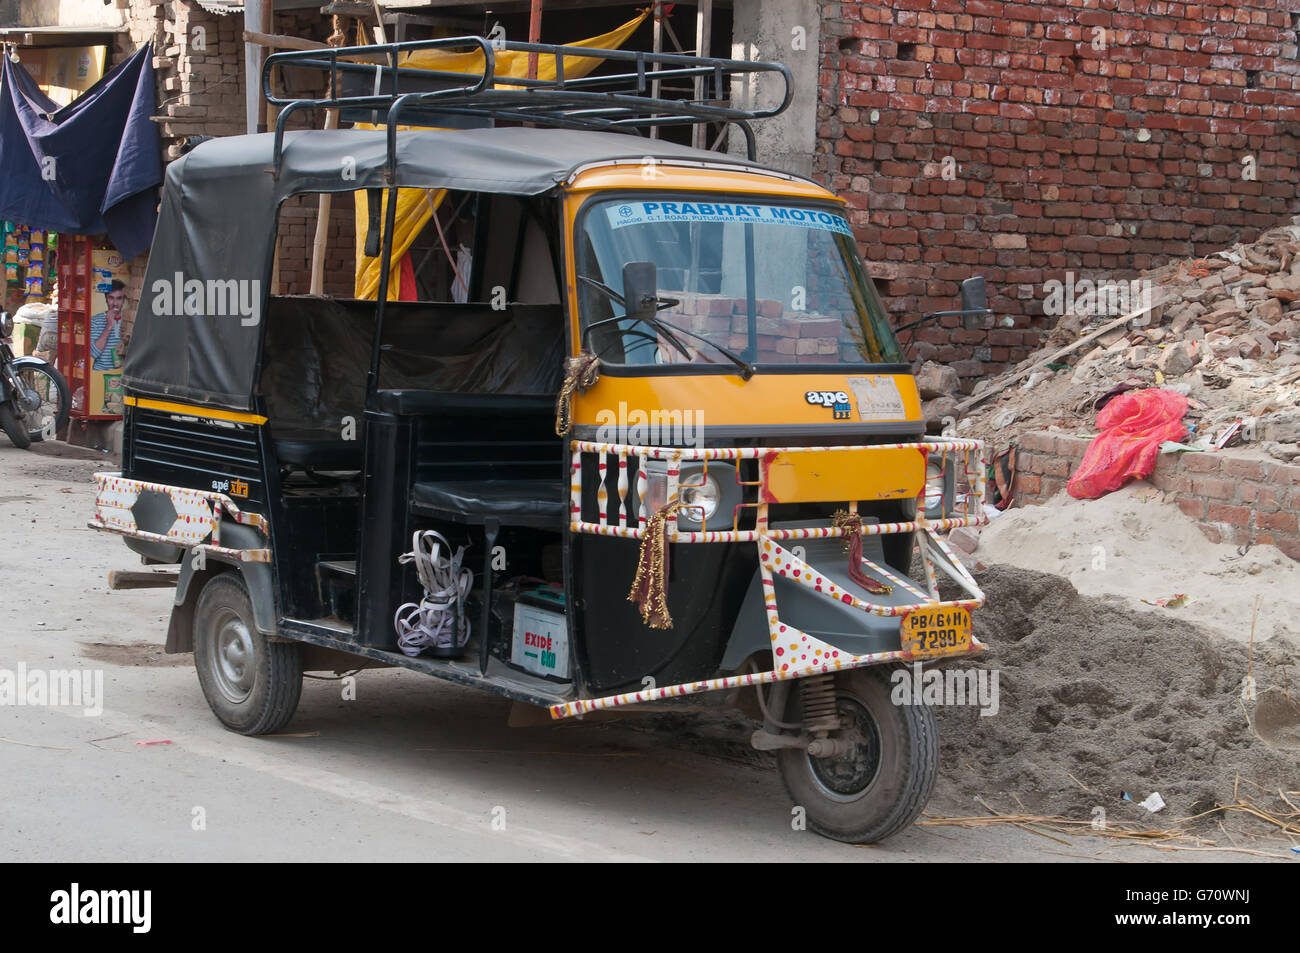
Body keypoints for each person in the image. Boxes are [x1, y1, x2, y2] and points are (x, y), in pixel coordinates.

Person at [90, 280, 126, 370]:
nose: (115, 303)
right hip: (100, 374)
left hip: (123, 374)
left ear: (124, 300)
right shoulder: (94, 320)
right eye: (111, 298)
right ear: (106, 299)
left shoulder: (130, 320)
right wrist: (109, 326)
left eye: (119, 298)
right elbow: (93, 354)